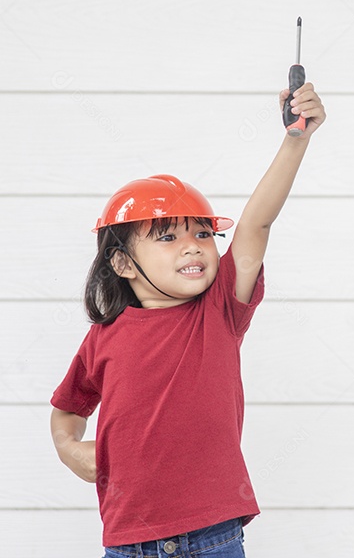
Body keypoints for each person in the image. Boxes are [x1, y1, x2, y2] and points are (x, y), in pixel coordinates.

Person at [50, 84, 326, 557]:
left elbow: (257, 223)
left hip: (213, 536)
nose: (194, 245)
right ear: (121, 264)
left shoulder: (221, 310)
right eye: (167, 237)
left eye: (202, 232)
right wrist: (71, 449)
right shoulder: (103, 339)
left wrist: (296, 139)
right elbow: (69, 409)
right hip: (127, 542)